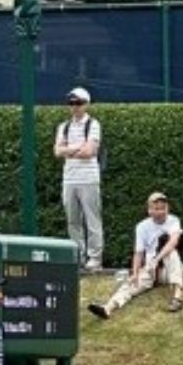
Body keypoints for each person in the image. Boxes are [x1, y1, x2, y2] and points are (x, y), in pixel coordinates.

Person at [87, 192, 183, 320]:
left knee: (171, 253)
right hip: (151, 268)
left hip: (169, 269)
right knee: (132, 283)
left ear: (167, 208)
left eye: (163, 208)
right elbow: (138, 252)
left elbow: (173, 242)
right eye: (157, 208)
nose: (161, 211)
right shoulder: (142, 227)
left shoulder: (173, 220)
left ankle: (178, 296)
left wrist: (157, 259)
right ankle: (108, 308)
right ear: (149, 210)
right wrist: (135, 273)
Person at [54, 86, 103, 271]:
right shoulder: (64, 127)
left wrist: (68, 149)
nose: (74, 107)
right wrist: (77, 148)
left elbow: (89, 152)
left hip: (89, 178)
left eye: (79, 103)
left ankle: (95, 258)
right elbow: (57, 151)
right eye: (71, 103)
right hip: (69, 179)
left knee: (92, 219)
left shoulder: (94, 124)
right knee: (72, 220)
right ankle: (77, 256)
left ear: (86, 104)